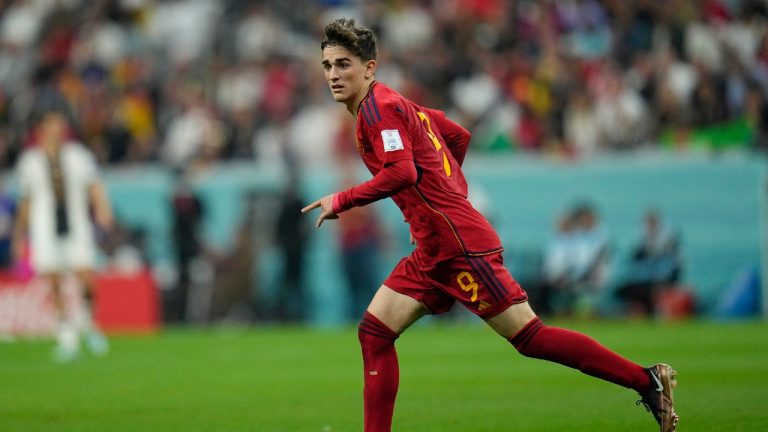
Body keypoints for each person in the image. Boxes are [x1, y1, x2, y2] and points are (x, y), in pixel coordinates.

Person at [302, 19, 679, 432]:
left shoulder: (379, 110)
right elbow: (457, 137)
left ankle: (647, 380)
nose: (334, 75)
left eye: (344, 65)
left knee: (530, 338)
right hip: (435, 246)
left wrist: (344, 198)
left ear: (369, 68)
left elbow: (403, 173)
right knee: (374, 333)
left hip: (459, 247)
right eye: (328, 66)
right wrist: (436, 205)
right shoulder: (392, 104)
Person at [12, 107, 114, 362]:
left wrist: (103, 210)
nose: (56, 130)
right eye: (51, 125)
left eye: (60, 125)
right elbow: (25, 202)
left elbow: (95, 186)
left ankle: (88, 322)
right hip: (45, 228)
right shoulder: (30, 162)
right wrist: (19, 234)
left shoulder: (78, 156)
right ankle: (66, 337)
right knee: (54, 282)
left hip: (76, 225)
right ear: (41, 130)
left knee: (87, 278)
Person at [615, 209, 683, 316]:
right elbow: (635, 262)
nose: (649, 226)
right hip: (646, 281)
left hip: (663, 280)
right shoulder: (643, 241)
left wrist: (665, 282)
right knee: (623, 290)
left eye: (652, 222)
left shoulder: (670, 242)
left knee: (650, 291)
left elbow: (675, 266)